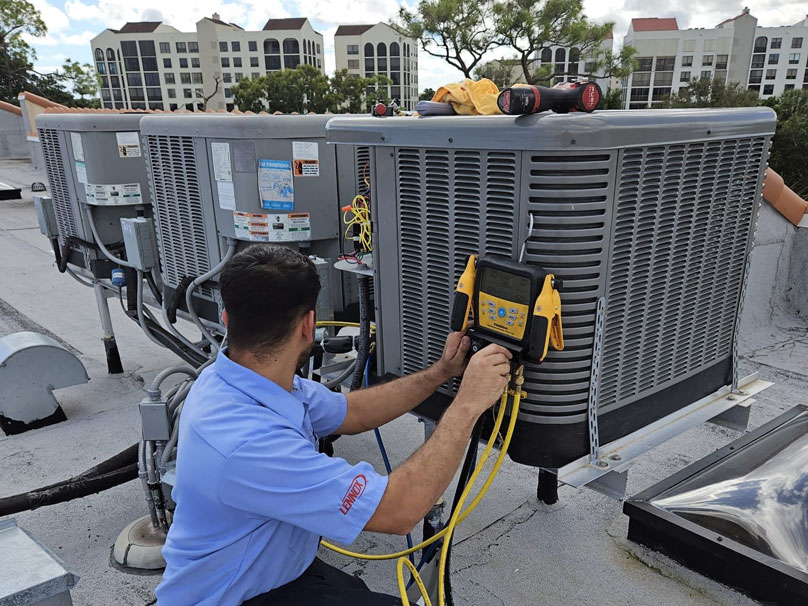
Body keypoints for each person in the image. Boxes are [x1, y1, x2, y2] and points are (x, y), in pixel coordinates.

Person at [155, 244, 512, 606]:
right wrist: (467, 404)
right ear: (309, 326)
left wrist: (440, 373)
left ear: (227, 318)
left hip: (270, 573)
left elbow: (350, 411)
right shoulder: (247, 442)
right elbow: (400, 509)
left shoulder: (239, 376)